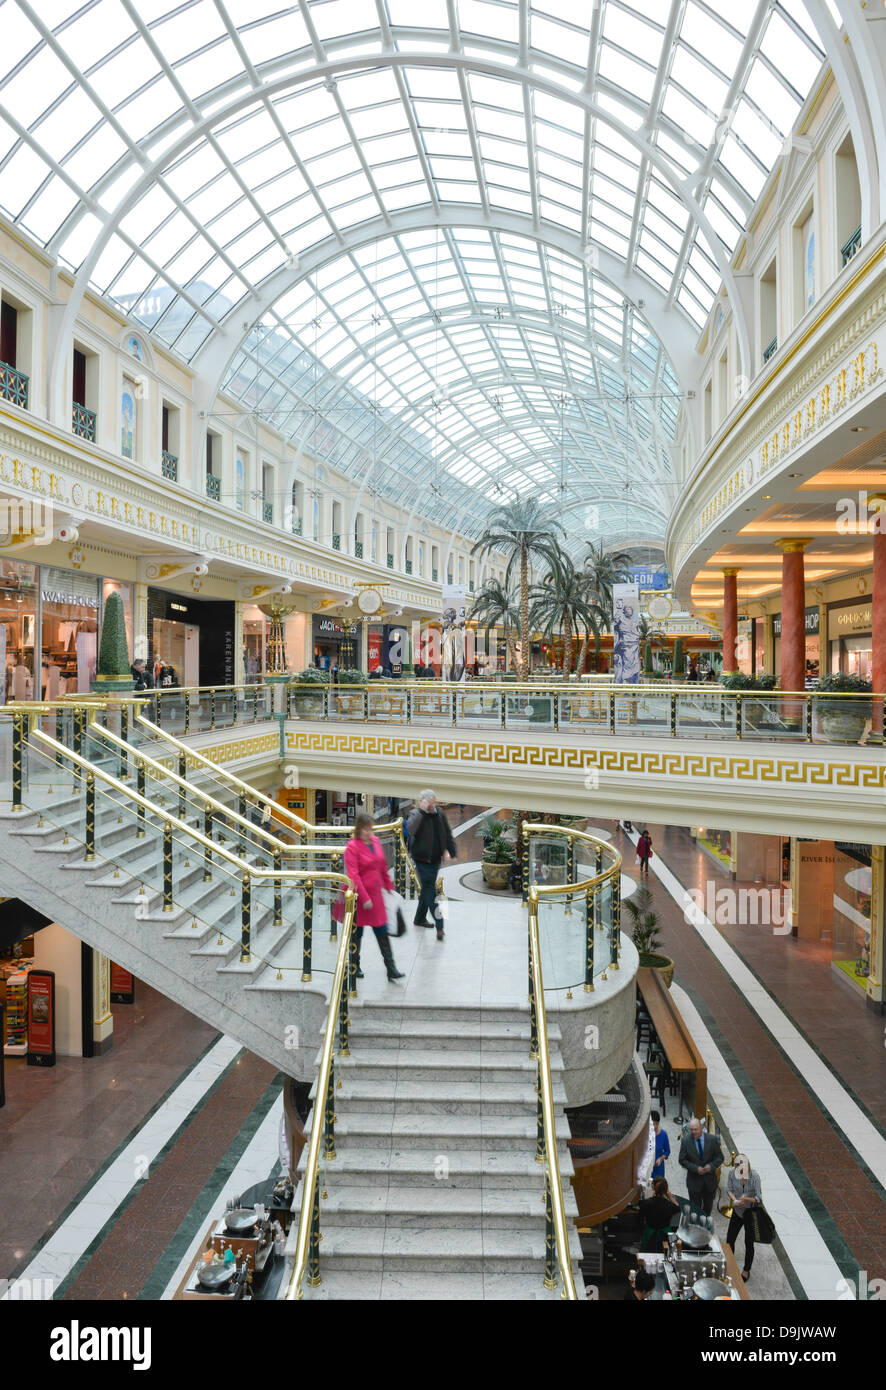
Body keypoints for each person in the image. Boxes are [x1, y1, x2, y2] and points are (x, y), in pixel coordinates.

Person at [343, 812, 404, 982]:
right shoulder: (352, 847)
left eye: (371, 829)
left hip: (376, 895)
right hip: (359, 898)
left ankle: (391, 968)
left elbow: (382, 865)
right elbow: (354, 875)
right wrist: (364, 897)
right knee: (357, 933)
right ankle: (355, 967)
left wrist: (389, 885)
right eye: (366, 830)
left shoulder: (375, 842)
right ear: (359, 829)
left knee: (381, 931)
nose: (369, 833)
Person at [407, 789, 456, 939]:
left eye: (432, 802)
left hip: (435, 860)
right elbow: (410, 829)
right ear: (422, 801)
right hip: (422, 860)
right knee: (430, 891)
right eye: (428, 802)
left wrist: (452, 851)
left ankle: (419, 918)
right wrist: (421, 812)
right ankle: (440, 926)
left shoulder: (439, 813)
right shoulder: (416, 814)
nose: (431, 805)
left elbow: (446, 832)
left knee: (427, 890)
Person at [724, 1155, 763, 1282]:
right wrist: (735, 1200)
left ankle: (746, 1270)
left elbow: (758, 1199)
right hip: (738, 1211)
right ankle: (729, 1265)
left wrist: (746, 1199)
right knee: (730, 1240)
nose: (741, 1173)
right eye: (739, 1170)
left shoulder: (755, 1177)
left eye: (744, 1169)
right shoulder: (732, 1173)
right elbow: (729, 1189)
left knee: (748, 1243)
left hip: (750, 1214)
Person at [678, 1117, 724, 1217]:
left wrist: (711, 1166)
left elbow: (720, 1157)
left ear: (701, 1128)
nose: (693, 1132)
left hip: (709, 1182)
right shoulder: (686, 1141)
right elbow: (682, 1160)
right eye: (691, 1129)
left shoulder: (712, 1140)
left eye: (696, 1129)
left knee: (708, 1208)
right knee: (694, 1209)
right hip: (694, 1183)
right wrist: (695, 1168)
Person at [638, 1178, 680, 1252]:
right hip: (666, 1236)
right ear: (666, 1190)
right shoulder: (669, 1205)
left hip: (649, 1235)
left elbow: (639, 1217)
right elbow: (678, 1207)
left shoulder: (646, 1203)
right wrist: (670, 1196)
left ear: (653, 1188)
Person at [651, 1109, 670, 1182]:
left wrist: (661, 1159)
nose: (654, 1127)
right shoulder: (646, 1134)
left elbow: (667, 1151)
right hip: (647, 1168)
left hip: (659, 1168)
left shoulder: (663, 1134)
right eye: (653, 1124)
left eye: (656, 1124)